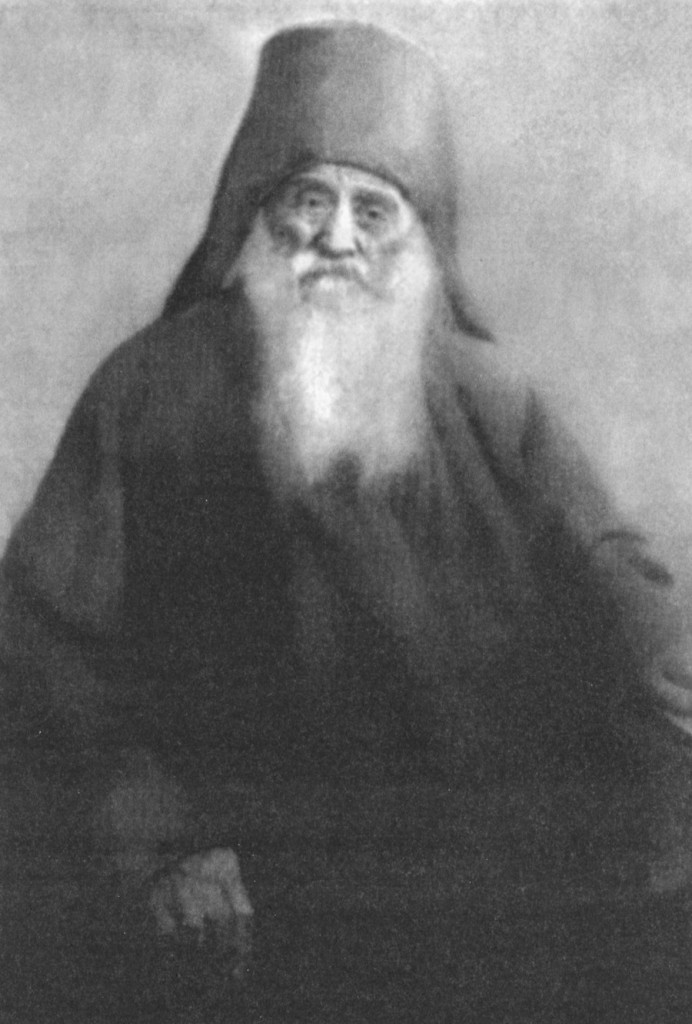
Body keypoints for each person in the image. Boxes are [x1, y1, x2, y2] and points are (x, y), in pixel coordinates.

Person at [3, 20, 692, 1023]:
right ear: (256, 214)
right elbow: (38, 645)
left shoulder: (489, 397)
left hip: (459, 876)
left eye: (372, 210)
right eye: (307, 202)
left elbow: (612, 575)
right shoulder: (147, 393)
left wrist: (667, 668)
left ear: (418, 237)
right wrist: (156, 838)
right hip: (236, 886)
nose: (336, 239)